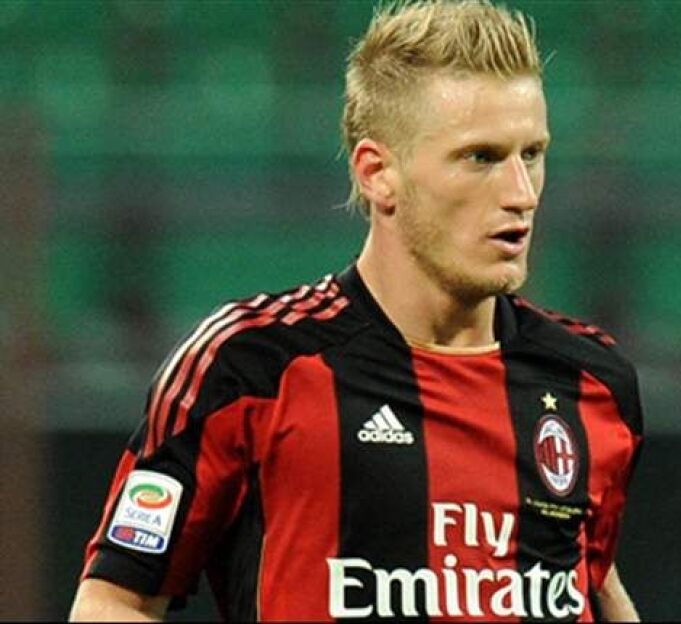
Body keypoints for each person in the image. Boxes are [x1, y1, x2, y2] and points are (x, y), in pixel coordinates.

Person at [69, 1, 643, 621]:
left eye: (531, 154)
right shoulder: (252, 366)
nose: (521, 194)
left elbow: (594, 584)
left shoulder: (590, 383)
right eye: (481, 157)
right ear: (378, 172)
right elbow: (113, 602)